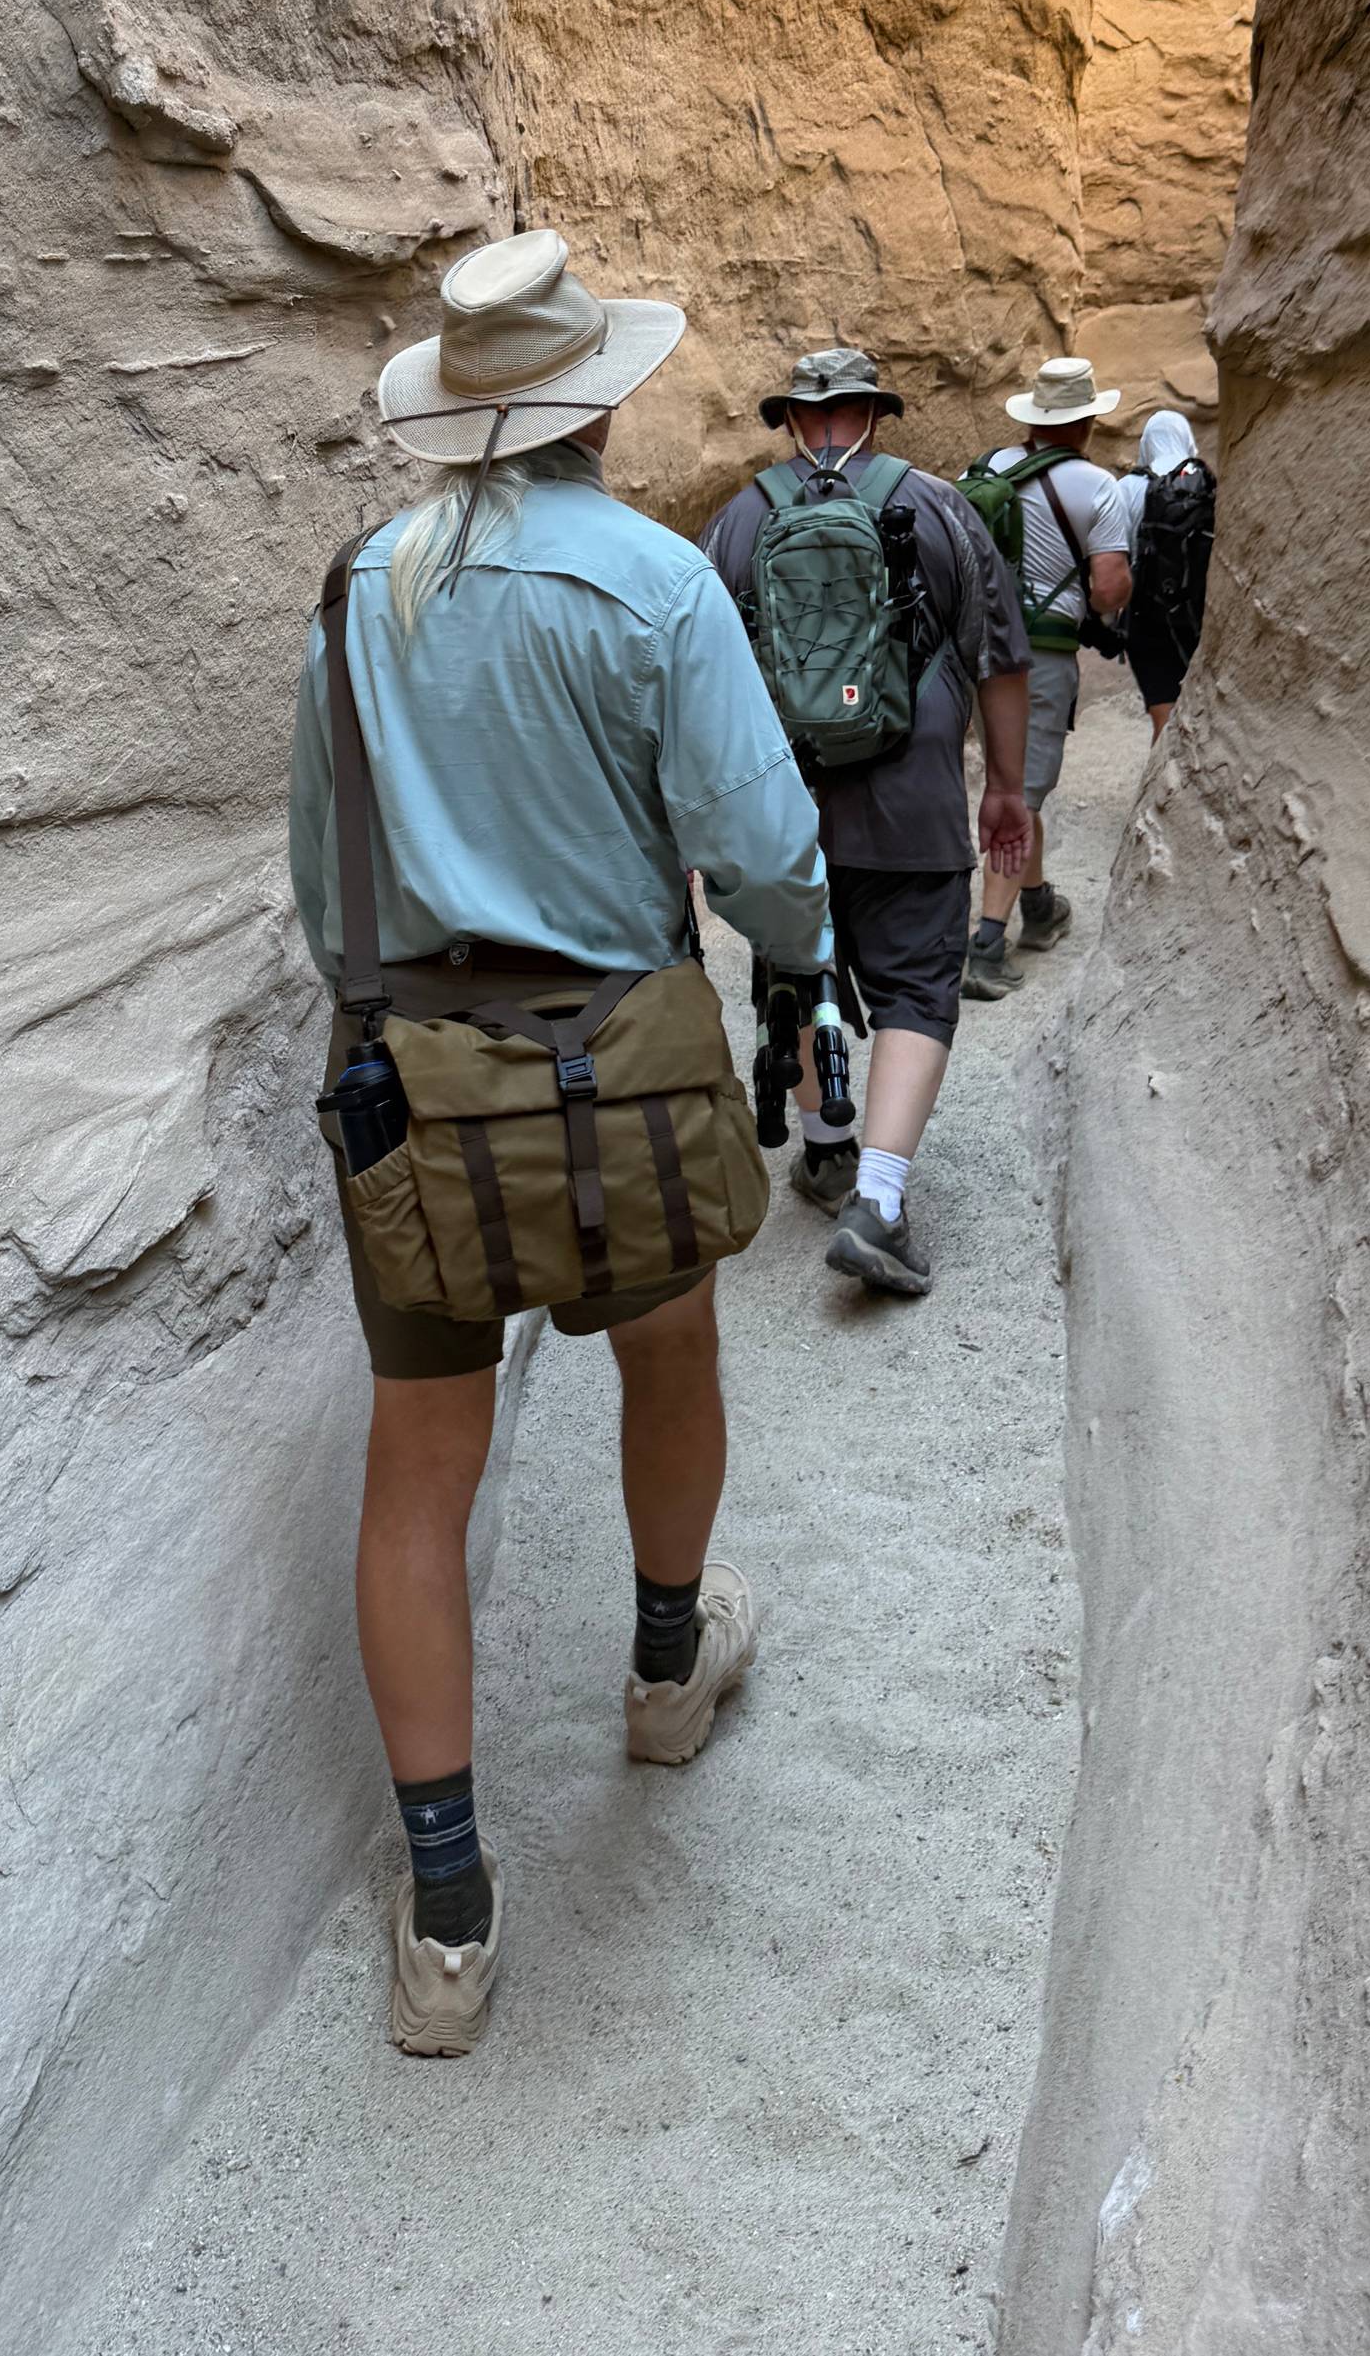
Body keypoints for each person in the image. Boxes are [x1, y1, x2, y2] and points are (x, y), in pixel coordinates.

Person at [288, 229, 832, 2061]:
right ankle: (668, 1671)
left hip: (417, 1075)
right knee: (669, 1350)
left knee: (417, 1463)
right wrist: (803, 960)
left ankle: (447, 1920)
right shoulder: (657, 583)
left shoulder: (360, 592)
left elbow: (321, 879)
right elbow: (758, 849)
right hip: (623, 1060)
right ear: (596, 398)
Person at [699, 348, 1033, 1301]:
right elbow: (1001, 657)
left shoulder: (739, 520)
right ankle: (878, 1206)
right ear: (873, 415)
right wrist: (1004, 785)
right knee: (919, 987)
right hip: (912, 799)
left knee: (794, 971)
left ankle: (828, 1149)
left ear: (795, 421)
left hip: (784, 811)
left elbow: (703, 685)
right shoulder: (938, 508)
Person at [956, 355, 1134, 1001]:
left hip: (973, 649)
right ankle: (986, 942)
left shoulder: (981, 472)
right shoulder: (1098, 486)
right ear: (1088, 420)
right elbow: (1110, 589)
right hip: (1040, 656)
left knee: (1012, 775)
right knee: (1022, 790)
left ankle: (1036, 905)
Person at [1113, 408, 1216, 738]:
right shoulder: (1202, 483)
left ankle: (1167, 787)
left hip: (1145, 613)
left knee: (1165, 716)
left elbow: (1117, 554)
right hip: (1195, 610)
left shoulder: (1126, 487)